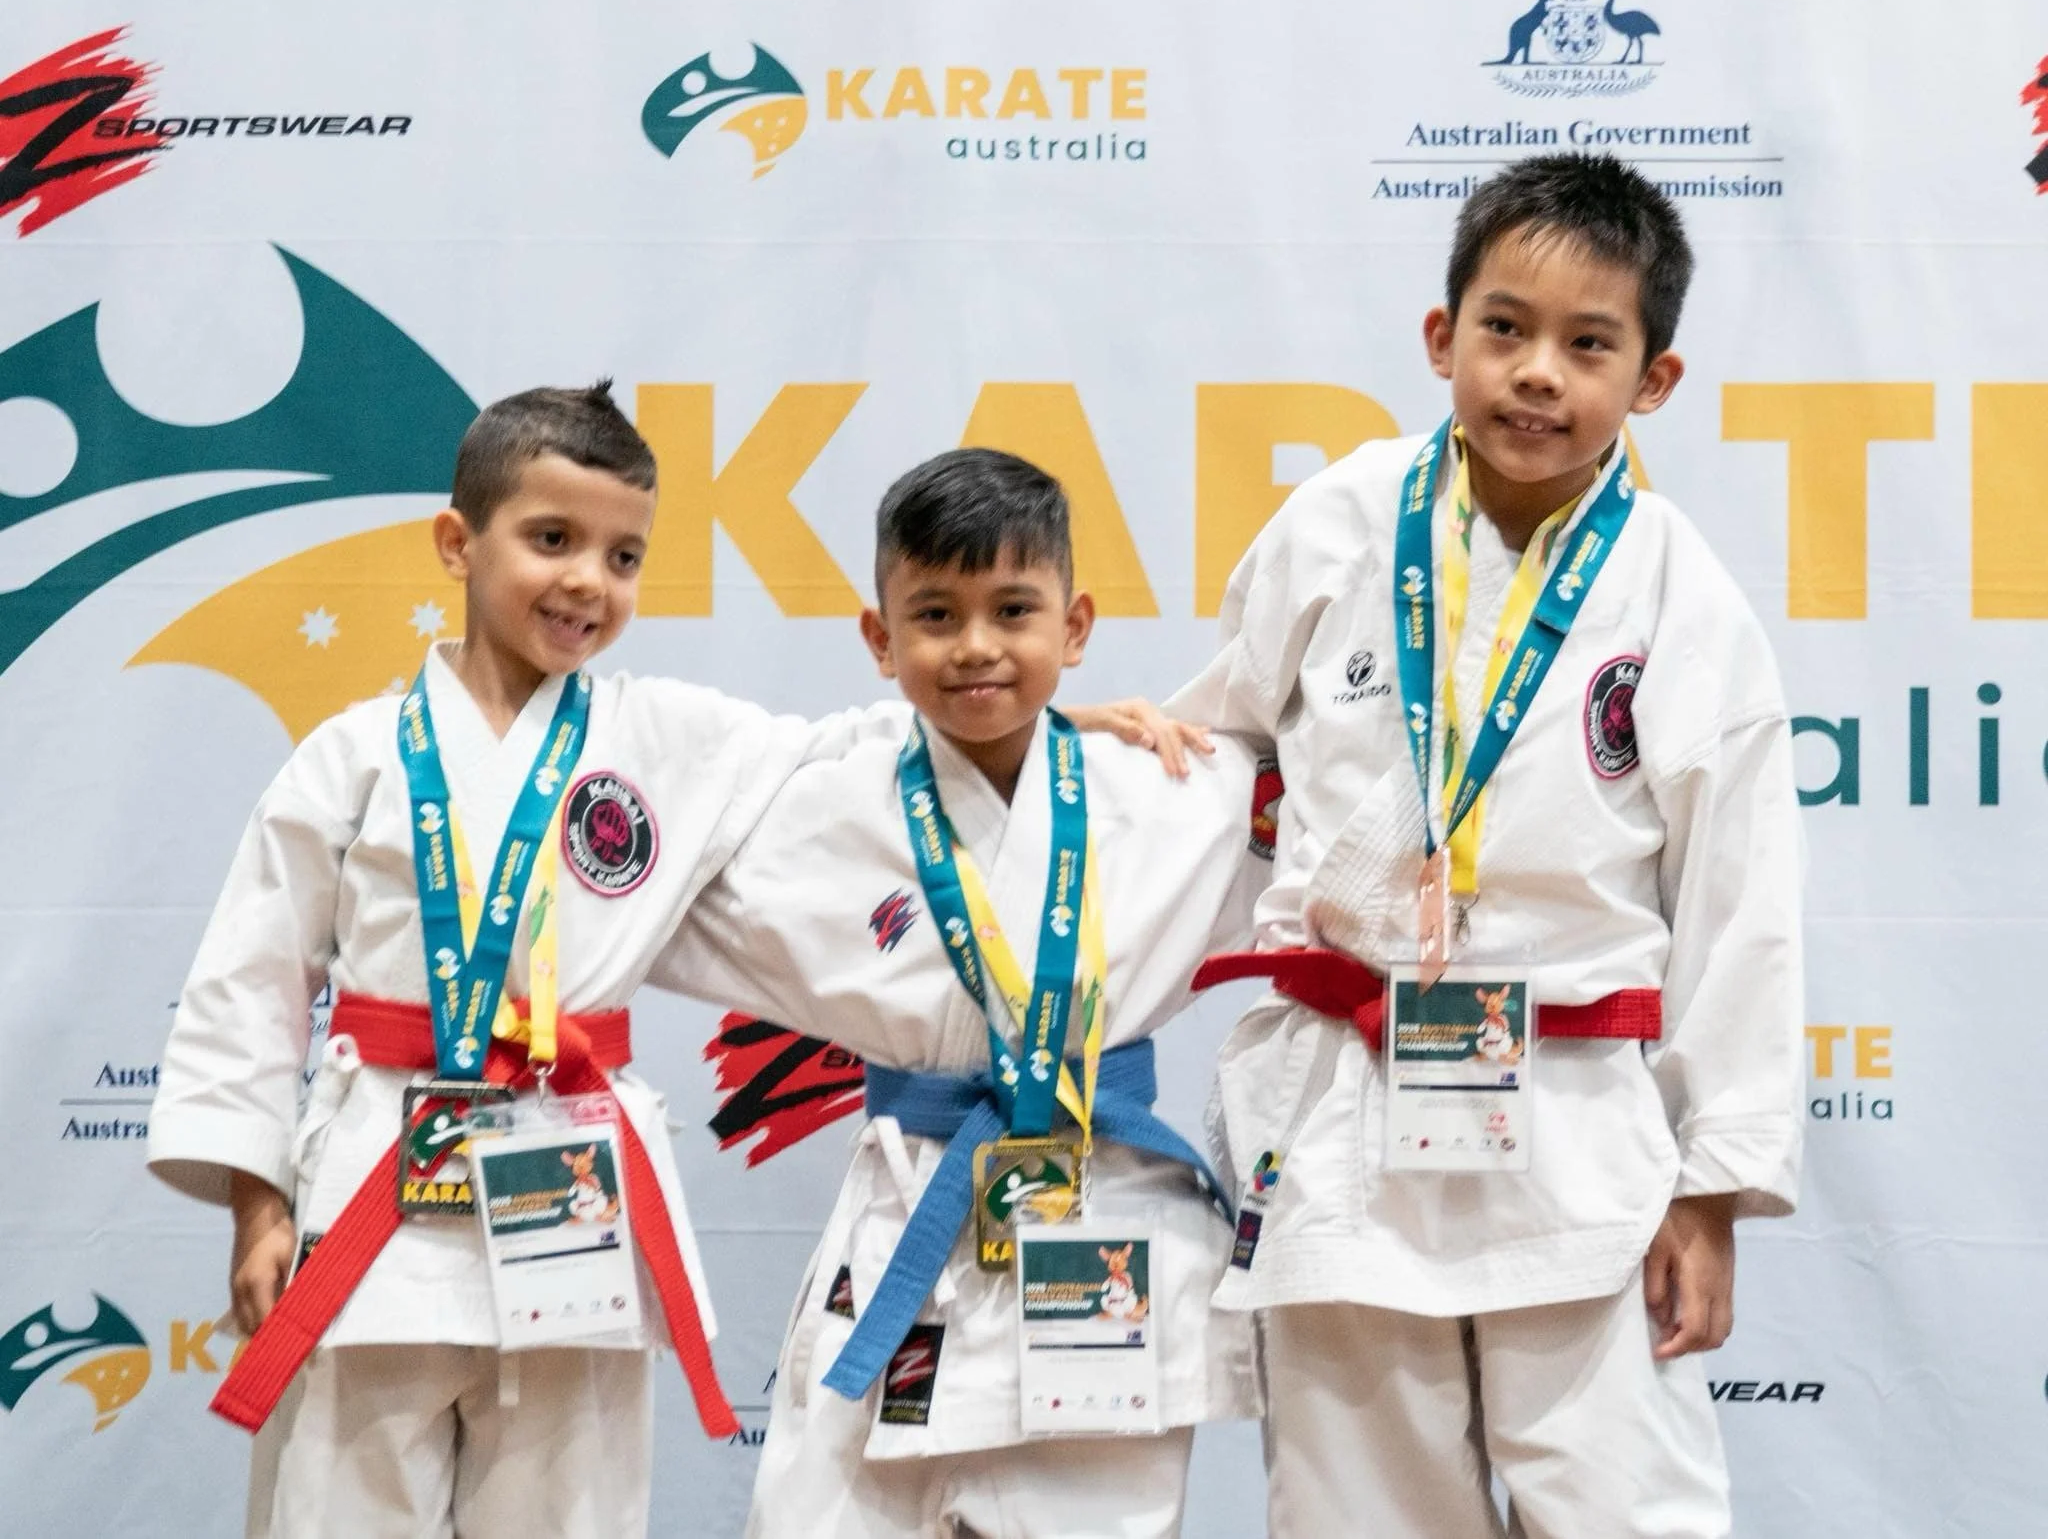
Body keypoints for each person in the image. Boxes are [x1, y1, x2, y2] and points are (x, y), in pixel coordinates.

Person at [146, 386, 1187, 1539]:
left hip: (571, 1205)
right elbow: (251, 981)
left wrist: (1061, 724)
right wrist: (256, 1206)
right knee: (339, 1506)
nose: (589, 580)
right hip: (376, 1187)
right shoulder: (349, 759)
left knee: (570, 1510)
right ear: (457, 543)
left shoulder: (671, 738)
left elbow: (864, 742)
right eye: (553, 540)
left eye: (623, 554)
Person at [1171, 154, 1804, 1537]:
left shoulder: (1682, 591)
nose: (1537, 374)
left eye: (1590, 345)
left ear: (1653, 381)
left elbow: (1739, 899)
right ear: (1441, 337)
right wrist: (1115, 761)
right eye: (1506, 329)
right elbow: (1219, 750)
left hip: (1579, 1122)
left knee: (1630, 1509)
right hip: (1342, 1109)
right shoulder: (1339, 520)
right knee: (1358, 1509)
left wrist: (1712, 1189)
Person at [655, 448, 1272, 1539]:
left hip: (1105, 1210)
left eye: (1012, 610)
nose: (976, 646)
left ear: (1073, 626)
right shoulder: (824, 807)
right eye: (934, 615)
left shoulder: (1169, 784)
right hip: (909, 1207)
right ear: (878, 639)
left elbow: (1348, 785)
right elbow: (649, 840)